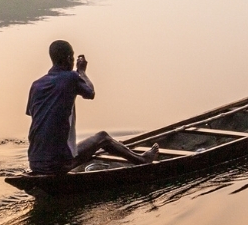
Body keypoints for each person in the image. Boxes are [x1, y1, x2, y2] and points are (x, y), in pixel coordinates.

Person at [25, 40, 155, 175]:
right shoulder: (70, 77)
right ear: (70, 58)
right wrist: (81, 71)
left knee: (88, 146)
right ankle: (142, 159)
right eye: (73, 57)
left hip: (34, 161)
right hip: (57, 163)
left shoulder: (36, 85)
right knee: (103, 138)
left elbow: (34, 114)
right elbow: (90, 93)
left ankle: (115, 150)